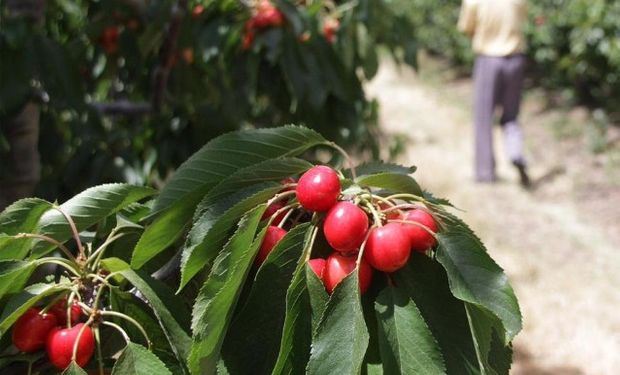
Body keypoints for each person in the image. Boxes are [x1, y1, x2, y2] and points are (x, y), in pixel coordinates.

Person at [457, 0, 530, 187]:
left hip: (489, 60)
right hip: (516, 60)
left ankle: (485, 173)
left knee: (483, 118)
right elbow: (523, 19)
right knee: (511, 116)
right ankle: (515, 153)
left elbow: (467, 28)